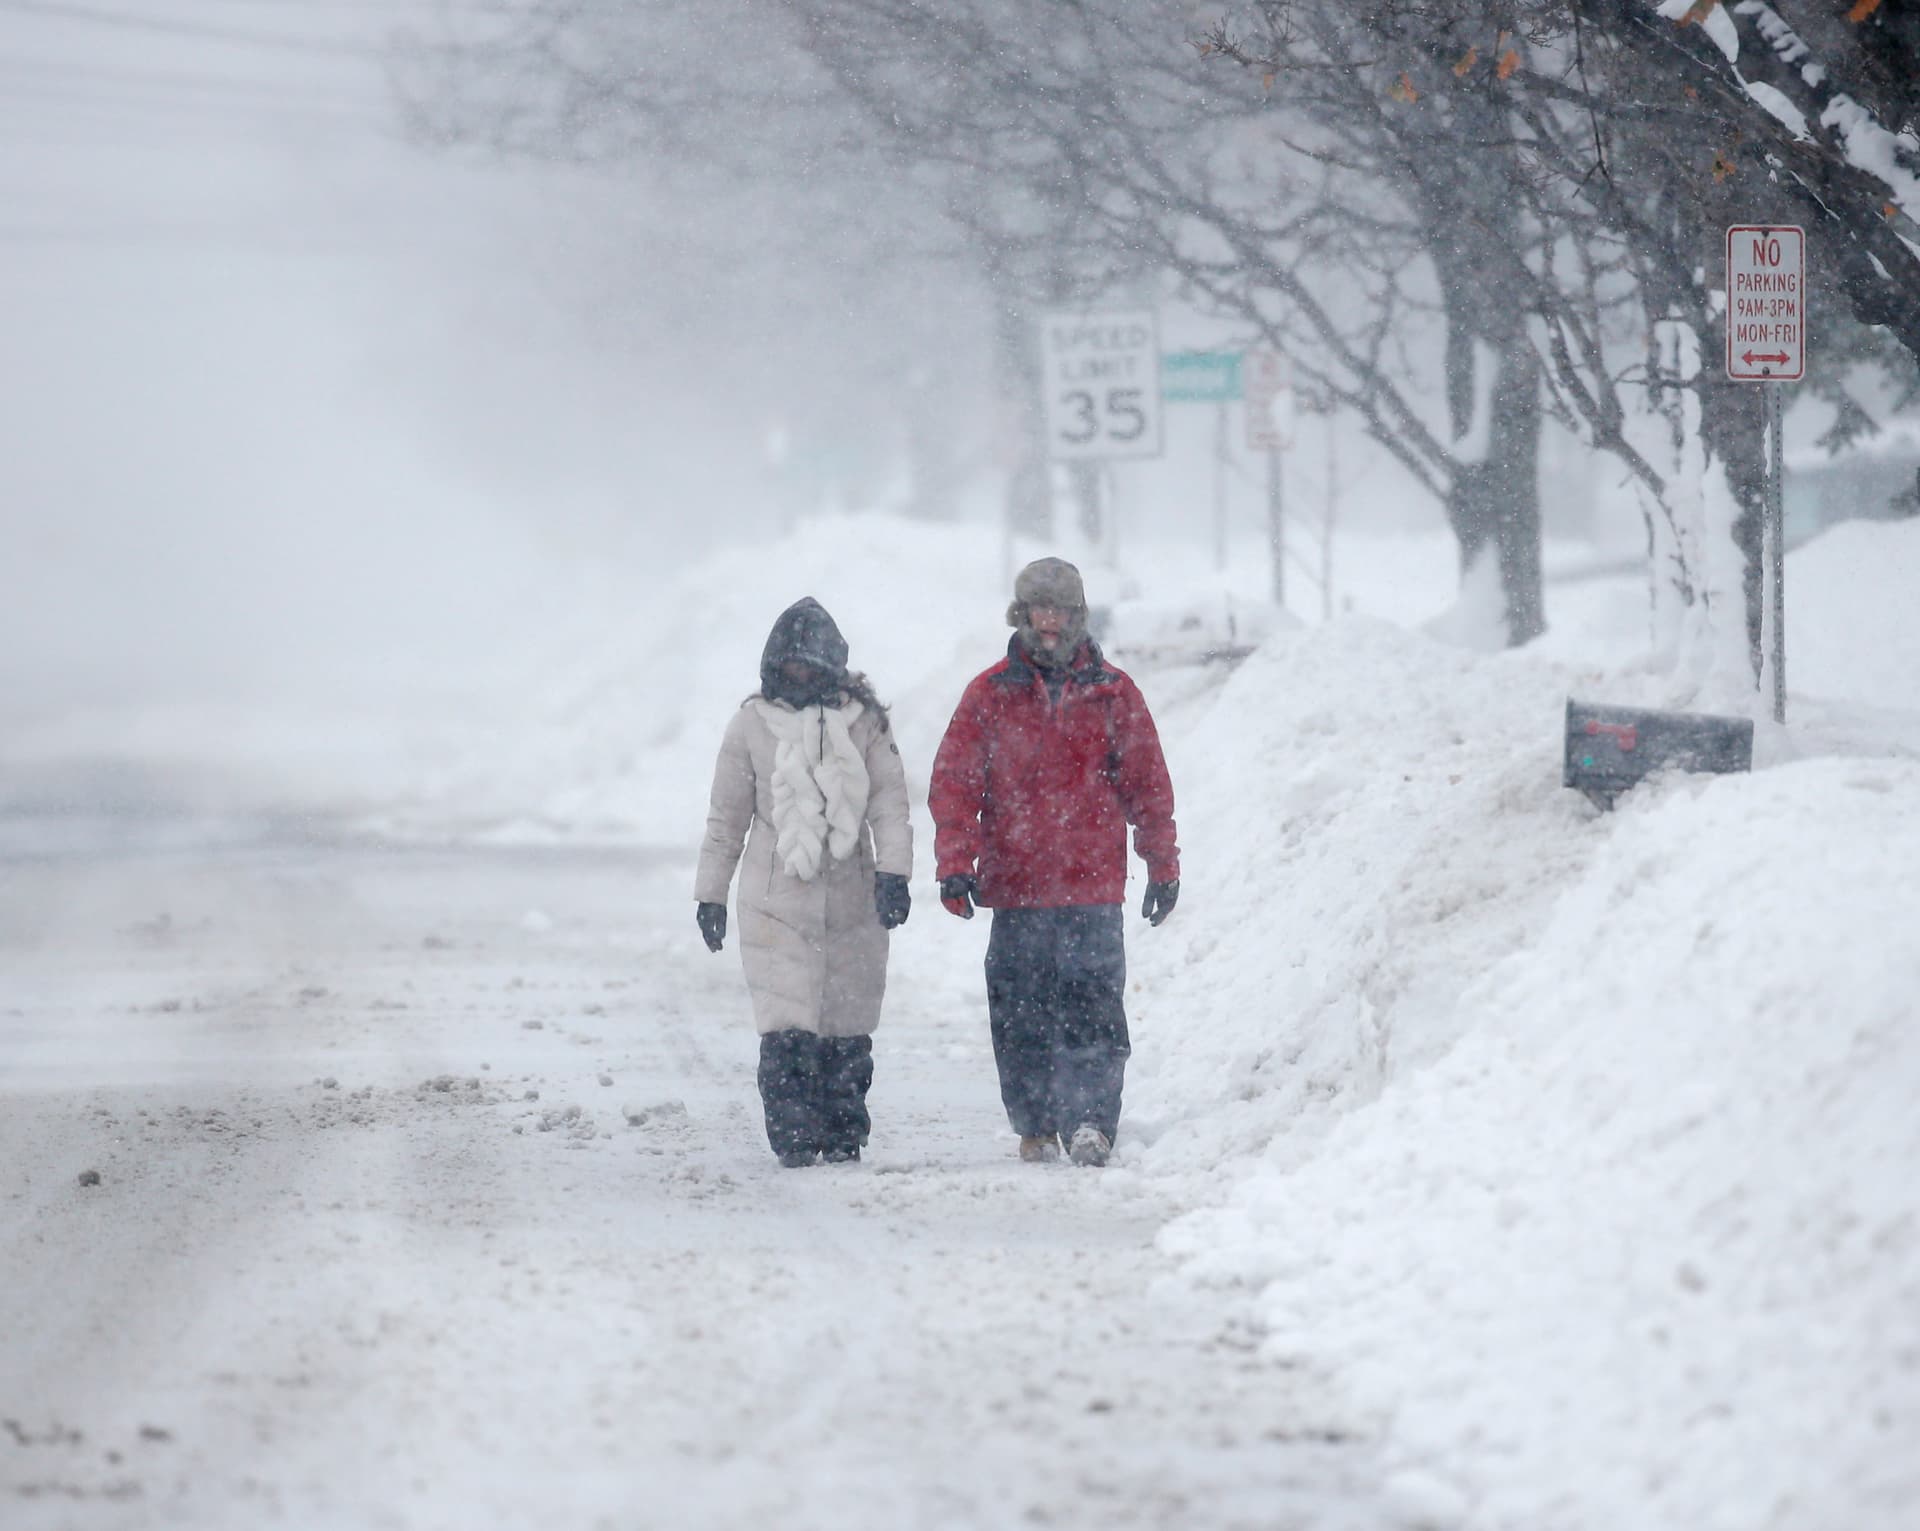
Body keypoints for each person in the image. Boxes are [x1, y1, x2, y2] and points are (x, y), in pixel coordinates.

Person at [928, 557, 1179, 1168]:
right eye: (1039, 610)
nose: (1049, 622)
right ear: (1021, 614)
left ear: (1077, 615)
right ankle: (1036, 1123)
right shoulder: (989, 694)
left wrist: (1162, 863)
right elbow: (956, 785)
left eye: (1060, 611)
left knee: (1095, 1009)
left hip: (1092, 888)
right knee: (1020, 1018)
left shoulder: (1114, 693)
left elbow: (1147, 785)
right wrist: (954, 862)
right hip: (1017, 889)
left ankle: (1092, 1121)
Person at [695, 597, 913, 1168]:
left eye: (809, 665)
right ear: (772, 666)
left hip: (853, 899)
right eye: (789, 666)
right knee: (786, 1024)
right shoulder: (749, 726)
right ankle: (792, 1131)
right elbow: (726, 819)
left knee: (847, 1024)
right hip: (775, 900)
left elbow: (890, 802)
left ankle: (843, 1129)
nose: (799, 676)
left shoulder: (865, 723)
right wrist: (710, 894)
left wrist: (894, 872)